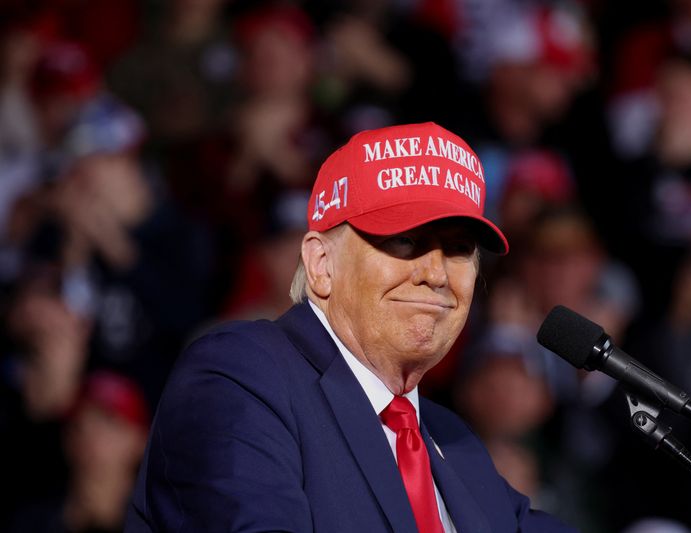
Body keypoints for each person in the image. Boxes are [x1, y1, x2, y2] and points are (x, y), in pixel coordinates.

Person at [125, 122, 576, 532]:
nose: (436, 274)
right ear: (321, 264)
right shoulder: (240, 376)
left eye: (458, 249)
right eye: (404, 241)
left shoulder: (453, 442)